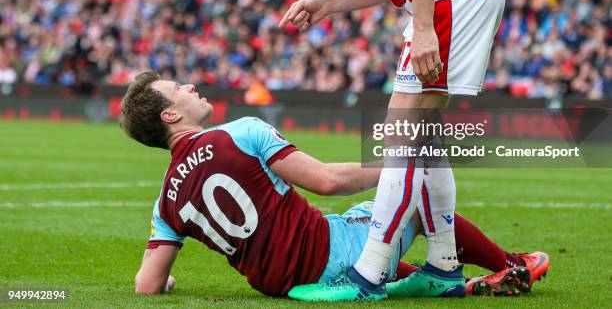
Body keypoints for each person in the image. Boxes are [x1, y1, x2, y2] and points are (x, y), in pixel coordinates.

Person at [228, 0, 506, 299]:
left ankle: (369, 275)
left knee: (401, 135)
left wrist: (422, 29)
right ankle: (442, 266)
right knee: (422, 137)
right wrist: (328, 3)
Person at [119, 72, 548, 298]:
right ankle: (512, 265)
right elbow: (326, 180)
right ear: (169, 116)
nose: (189, 86)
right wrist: (400, 167)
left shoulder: (165, 202)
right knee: (413, 201)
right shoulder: (240, 132)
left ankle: (435, 282)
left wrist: (168, 284)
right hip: (331, 253)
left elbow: (146, 285)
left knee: (362, 225)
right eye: (178, 89)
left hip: (284, 285)